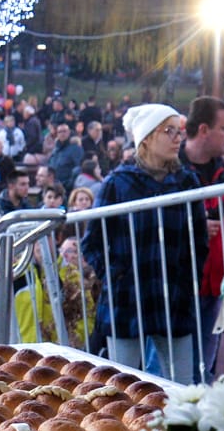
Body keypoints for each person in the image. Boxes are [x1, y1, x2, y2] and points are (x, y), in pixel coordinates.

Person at [80, 103, 206, 383]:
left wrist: (188, 279)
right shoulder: (117, 183)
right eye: (168, 131)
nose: (177, 138)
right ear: (147, 138)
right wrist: (115, 275)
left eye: (179, 131)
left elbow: (199, 240)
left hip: (174, 297)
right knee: (121, 387)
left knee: (182, 387)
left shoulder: (187, 182)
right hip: (127, 298)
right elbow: (92, 242)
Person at [182, 95, 224, 380]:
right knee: (175, 370)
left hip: (215, 286)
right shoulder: (174, 172)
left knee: (204, 368)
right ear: (204, 130)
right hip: (181, 286)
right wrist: (196, 224)